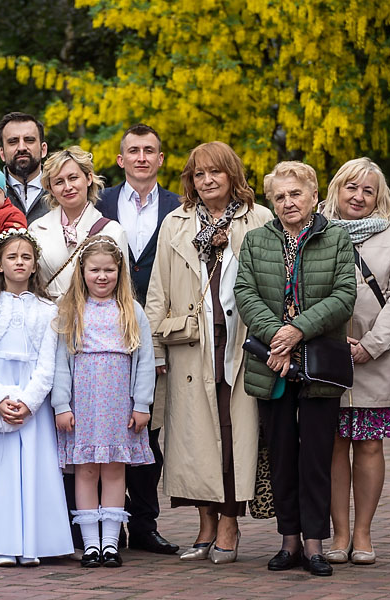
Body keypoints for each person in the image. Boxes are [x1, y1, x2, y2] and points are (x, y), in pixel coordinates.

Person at [144, 141, 272, 565]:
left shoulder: (259, 219)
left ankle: (230, 524)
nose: (207, 180)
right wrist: (156, 351)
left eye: (215, 172)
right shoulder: (175, 223)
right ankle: (204, 523)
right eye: (199, 174)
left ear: (232, 173)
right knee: (193, 438)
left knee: (234, 433)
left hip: (240, 343)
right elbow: (158, 290)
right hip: (189, 345)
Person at [234, 160, 356, 577]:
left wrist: (297, 332)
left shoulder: (337, 237)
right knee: (282, 454)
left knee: (317, 458)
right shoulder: (255, 241)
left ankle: (315, 544)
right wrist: (277, 337)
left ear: (314, 195)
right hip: (272, 363)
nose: (288, 202)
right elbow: (245, 293)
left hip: (319, 363)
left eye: (296, 194)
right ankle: (288, 541)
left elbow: (344, 295)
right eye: (280, 196)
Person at [0, 229, 72, 566]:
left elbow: (48, 364)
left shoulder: (49, 309)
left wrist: (30, 402)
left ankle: (32, 542)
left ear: (35, 265)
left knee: (30, 468)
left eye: (26, 257)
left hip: (31, 401)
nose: (19, 262)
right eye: (12, 257)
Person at [319, 158, 390, 566]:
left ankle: (363, 534)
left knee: (370, 445)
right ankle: (339, 534)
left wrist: (371, 345)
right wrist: (337, 343)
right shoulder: (315, 229)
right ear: (337, 189)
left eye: (368, 190)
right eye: (351, 187)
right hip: (327, 355)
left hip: (376, 358)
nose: (358, 196)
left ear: (379, 197)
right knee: (334, 447)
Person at [97, 124, 180, 555]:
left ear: (161, 159)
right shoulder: (100, 203)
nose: (142, 157)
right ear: (121, 159)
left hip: (157, 337)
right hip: (100, 337)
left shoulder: (179, 207)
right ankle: (102, 523)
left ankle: (144, 523)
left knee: (147, 431)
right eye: (134, 150)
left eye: (150, 150)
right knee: (100, 433)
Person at [52, 236, 156, 568]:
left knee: (113, 470)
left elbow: (144, 361)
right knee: (85, 470)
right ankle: (90, 544)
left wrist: (142, 403)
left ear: (119, 271)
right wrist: (61, 405)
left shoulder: (131, 310)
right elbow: (60, 362)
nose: (101, 276)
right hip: (82, 404)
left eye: (109, 270)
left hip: (118, 407)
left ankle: (110, 543)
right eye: (94, 270)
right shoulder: (72, 311)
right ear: (82, 271)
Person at [30, 146, 127, 300]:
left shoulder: (113, 231)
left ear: (88, 179)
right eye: (59, 182)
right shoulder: (36, 229)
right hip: (49, 318)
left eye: (73, 178)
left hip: (93, 319)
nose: (68, 187)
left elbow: (123, 292)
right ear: (50, 188)